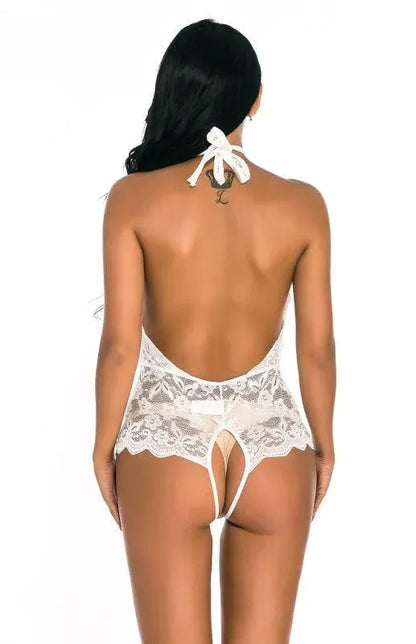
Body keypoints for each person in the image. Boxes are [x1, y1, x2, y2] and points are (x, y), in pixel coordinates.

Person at [93, 18, 336, 644]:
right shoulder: (303, 205)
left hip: (166, 443)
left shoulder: (133, 200)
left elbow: (119, 347)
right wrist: (324, 444)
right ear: (255, 100)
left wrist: (102, 447)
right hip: (275, 445)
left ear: (172, 93)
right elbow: (316, 349)